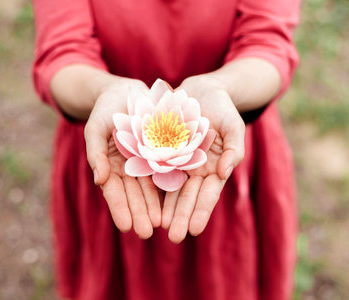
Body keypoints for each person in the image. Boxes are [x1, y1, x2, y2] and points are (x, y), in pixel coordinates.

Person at [32, 0, 300, 299]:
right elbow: (62, 51)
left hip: (219, 150)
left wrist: (222, 87)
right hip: (113, 151)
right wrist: (103, 91)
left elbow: (268, 42)